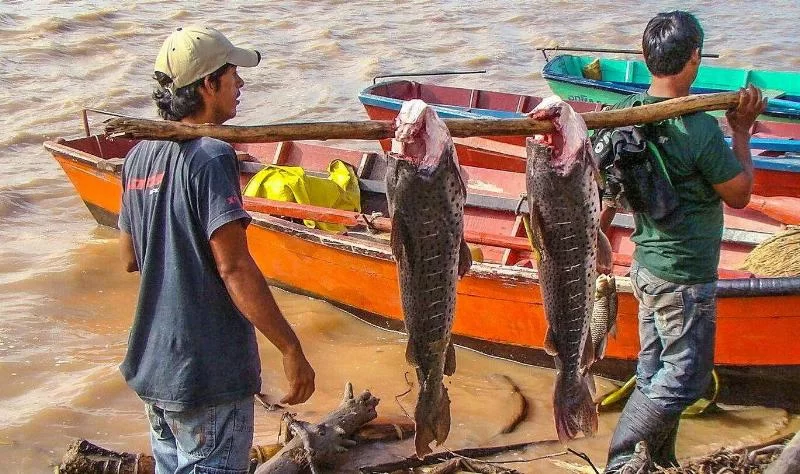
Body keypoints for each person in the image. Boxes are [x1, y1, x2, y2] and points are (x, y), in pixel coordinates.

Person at [118, 26, 315, 474]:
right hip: (207, 374)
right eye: (232, 76)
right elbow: (234, 267)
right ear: (208, 85)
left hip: (155, 365)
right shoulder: (210, 157)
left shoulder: (138, 157)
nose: (240, 85)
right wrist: (290, 348)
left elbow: (129, 257)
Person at [601, 11, 765, 472]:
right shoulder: (698, 129)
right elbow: (739, 194)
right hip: (685, 277)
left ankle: (656, 459)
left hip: (648, 268)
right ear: (694, 59)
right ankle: (619, 460)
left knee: (654, 371)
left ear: (645, 58)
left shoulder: (625, 115)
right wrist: (740, 131)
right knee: (685, 378)